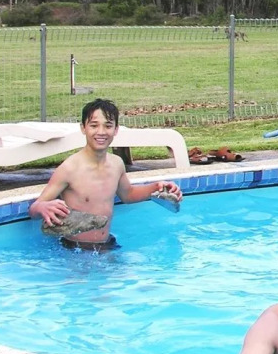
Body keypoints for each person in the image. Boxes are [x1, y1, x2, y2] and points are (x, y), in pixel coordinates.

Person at [28, 98, 182, 250]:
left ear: (116, 130)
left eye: (108, 126)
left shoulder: (116, 164)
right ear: (83, 128)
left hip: (107, 244)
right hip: (75, 249)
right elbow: (34, 209)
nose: (101, 132)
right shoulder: (69, 168)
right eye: (94, 125)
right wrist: (43, 207)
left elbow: (128, 195)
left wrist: (156, 187)